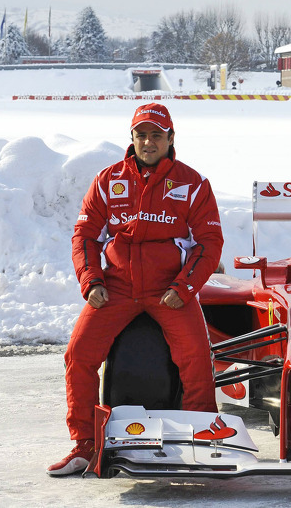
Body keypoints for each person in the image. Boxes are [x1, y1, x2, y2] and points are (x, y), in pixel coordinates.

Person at [47, 103, 224, 476]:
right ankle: (84, 445)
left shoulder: (193, 184)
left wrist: (186, 286)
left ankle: (204, 438)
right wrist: (91, 280)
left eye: (156, 135)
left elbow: (209, 242)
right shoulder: (108, 179)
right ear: (131, 138)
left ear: (171, 139)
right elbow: (85, 236)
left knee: (195, 356)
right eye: (141, 135)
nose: (148, 142)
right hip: (117, 287)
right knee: (78, 354)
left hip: (169, 289)